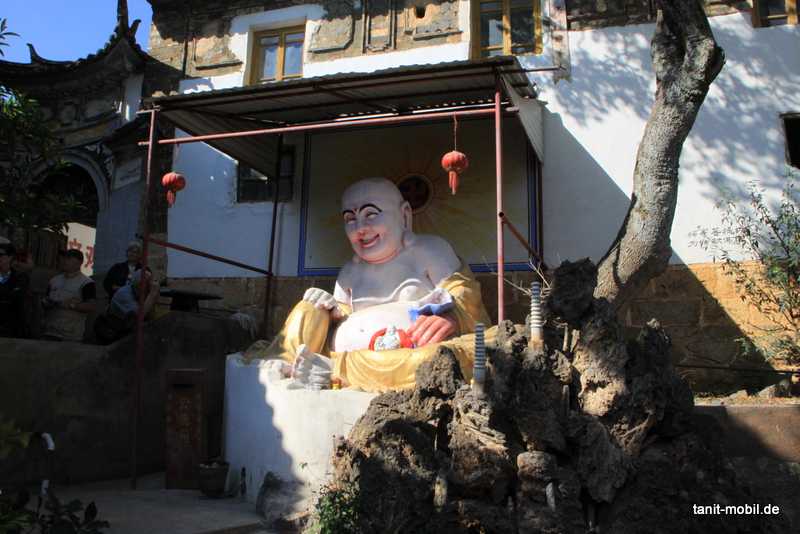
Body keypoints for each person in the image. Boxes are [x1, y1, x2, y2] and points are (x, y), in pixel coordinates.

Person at [260, 177, 491, 391]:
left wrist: (452, 317)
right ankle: (287, 360)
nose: (360, 228)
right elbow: (342, 316)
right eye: (350, 219)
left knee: (435, 361)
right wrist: (330, 311)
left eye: (370, 214)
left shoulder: (429, 250)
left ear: (404, 215)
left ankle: (334, 371)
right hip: (350, 355)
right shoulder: (349, 272)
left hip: (404, 357)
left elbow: (466, 295)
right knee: (309, 306)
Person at [42, 249, 96, 341]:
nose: (65, 261)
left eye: (69, 259)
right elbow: (45, 299)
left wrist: (72, 305)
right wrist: (46, 302)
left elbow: (91, 306)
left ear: (79, 263)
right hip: (50, 331)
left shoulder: (86, 283)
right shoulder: (54, 280)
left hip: (70, 335)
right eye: (65, 258)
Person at [95, 269, 159, 345]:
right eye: (148, 285)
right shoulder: (124, 294)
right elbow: (138, 317)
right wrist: (152, 295)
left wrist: (153, 297)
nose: (150, 287)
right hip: (112, 332)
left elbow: (150, 316)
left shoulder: (139, 292)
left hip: (125, 328)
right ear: (140, 285)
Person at [0, 242, 30, 338]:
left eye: (1, 255)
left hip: (11, 328)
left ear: (10, 257)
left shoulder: (20, 277)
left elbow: (16, 298)